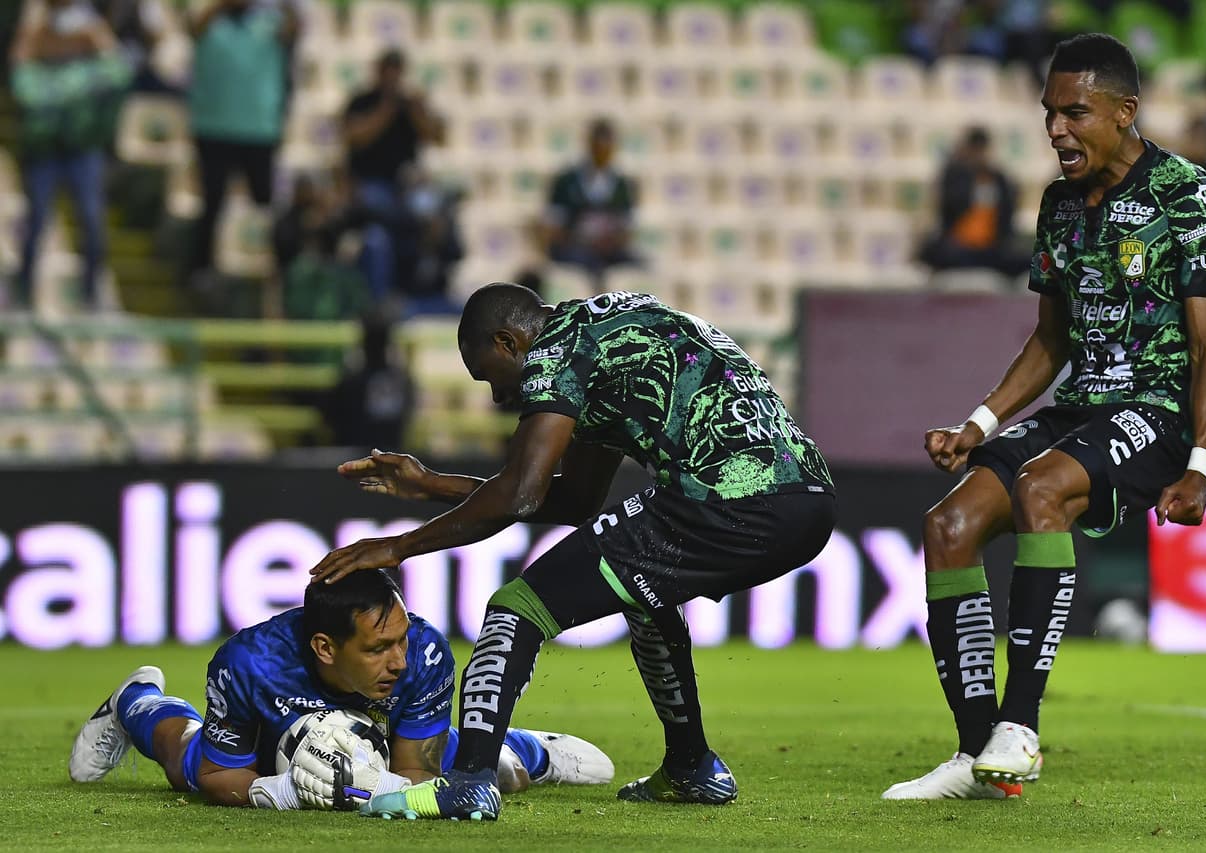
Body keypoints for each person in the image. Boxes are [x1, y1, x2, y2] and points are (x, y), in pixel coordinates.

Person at [308, 284, 836, 821]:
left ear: (509, 342)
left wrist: (400, 546)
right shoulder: (606, 337)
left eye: (490, 375)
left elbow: (520, 494)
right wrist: (432, 484)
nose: (496, 397)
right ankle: (692, 767)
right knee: (644, 596)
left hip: (731, 496)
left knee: (517, 607)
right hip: (806, 498)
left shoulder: (555, 351)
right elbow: (575, 499)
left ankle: (468, 781)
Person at [882, 33, 1206, 800]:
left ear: (1124, 111)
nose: (1056, 130)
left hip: (1155, 410)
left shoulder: (1185, 193)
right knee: (948, 526)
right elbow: (1050, 339)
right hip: (1079, 409)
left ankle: (1021, 725)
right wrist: (979, 421)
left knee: (1041, 489)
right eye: (1049, 112)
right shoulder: (1059, 203)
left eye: (1075, 112)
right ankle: (976, 757)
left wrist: (1201, 463)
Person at [67, 568, 614, 810]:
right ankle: (134, 698)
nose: (397, 660)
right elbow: (218, 774)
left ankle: (529, 750)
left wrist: (358, 789)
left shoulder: (422, 653)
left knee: (483, 771)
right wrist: (275, 791)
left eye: (399, 639)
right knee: (184, 765)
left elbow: (414, 773)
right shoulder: (248, 663)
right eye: (377, 649)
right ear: (326, 648)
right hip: (271, 741)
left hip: (385, 739)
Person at [8, 0, 129, 312]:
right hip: (43, 154)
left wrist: (100, 39)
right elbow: (25, 91)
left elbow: (120, 74)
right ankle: (23, 297)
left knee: (92, 221)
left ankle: (92, 296)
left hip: (83, 151)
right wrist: (31, 42)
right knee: (36, 223)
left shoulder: (92, 55)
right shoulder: (36, 54)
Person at [186, 0, 298, 290]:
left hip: (259, 130)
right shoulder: (211, 20)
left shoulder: (271, 21)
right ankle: (201, 270)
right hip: (213, 128)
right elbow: (193, 29)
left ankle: (272, 273)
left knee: (264, 204)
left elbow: (294, 28)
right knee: (212, 203)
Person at [342, 49, 445, 306]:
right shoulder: (363, 101)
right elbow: (355, 136)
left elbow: (436, 136)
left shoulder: (409, 106)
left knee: (436, 215)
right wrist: (386, 109)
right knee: (382, 226)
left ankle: (425, 287)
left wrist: (417, 110)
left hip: (405, 186)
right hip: (370, 184)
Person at [542, 118, 639, 291]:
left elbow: (627, 229)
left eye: (607, 145)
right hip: (573, 248)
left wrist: (609, 242)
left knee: (638, 265)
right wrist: (580, 240)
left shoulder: (622, 185)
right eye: (599, 144)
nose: (603, 151)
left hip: (608, 250)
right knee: (591, 265)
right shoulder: (567, 182)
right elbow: (553, 228)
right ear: (590, 145)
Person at [920, 125, 1025, 278]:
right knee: (936, 255)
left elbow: (1008, 214)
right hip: (958, 247)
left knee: (1025, 260)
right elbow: (950, 206)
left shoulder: (998, 179)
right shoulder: (954, 175)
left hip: (991, 249)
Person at [324, 309, 416, 449]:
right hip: (392, 455)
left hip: (357, 456)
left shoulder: (353, 382)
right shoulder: (402, 380)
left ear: (364, 343)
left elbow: (330, 416)